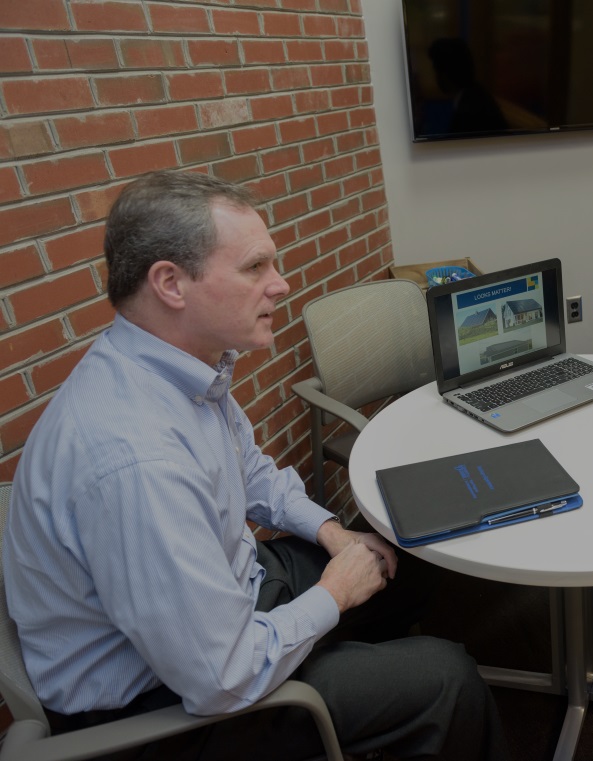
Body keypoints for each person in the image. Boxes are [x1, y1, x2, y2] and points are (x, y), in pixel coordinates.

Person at [3, 171, 507, 761]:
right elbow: (223, 676)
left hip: (226, 601)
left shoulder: (183, 368)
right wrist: (333, 595)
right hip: (171, 703)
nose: (282, 285)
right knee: (448, 679)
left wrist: (332, 533)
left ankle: (369, 696)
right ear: (170, 283)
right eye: (254, 268)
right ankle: (399, 703)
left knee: (411, 556)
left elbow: (252, 473)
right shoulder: (134, 459)